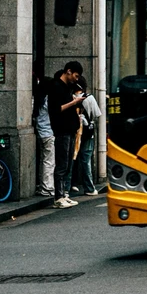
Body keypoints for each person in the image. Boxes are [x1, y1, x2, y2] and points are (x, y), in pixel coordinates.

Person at [47, 61, 86, 209]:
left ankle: (63, 194)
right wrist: (74, 102)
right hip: (61, 129)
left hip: (70, 129)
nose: (77, 79)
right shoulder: (56, 86)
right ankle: (58, 196)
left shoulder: (67, 87)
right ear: (68, 71)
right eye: (76, 75)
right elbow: (56, 109)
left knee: (68, 163)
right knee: (62, 164)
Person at [70, 75, 102, 198]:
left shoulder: (70, 98)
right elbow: (97, 114)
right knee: (85, 160)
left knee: (71, 159)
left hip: (72, 132)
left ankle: (68, 186)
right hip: (87, 134)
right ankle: (89, 187)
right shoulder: (89, 98)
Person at [32, 75, 54, 198]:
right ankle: (47, 187)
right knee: (49, 161)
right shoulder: (48, 100)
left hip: (41, 132)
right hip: (49, 132)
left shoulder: (38, 100)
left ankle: (42, 185)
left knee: (44, 160)